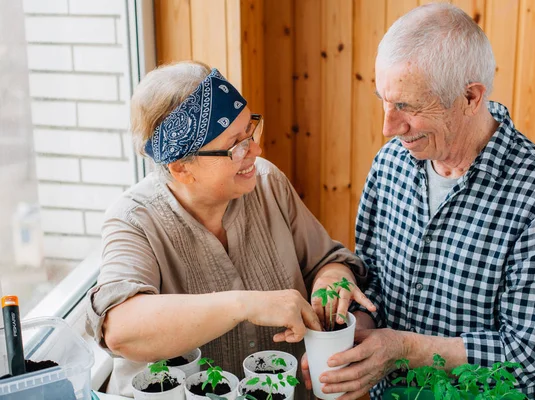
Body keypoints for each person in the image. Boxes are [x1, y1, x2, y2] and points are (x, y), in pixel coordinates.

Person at [304, 4, 535, 400]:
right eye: (384, 101)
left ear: (471, 97)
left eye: (407, 106)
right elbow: (372, 283)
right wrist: (358, 334)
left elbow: (523, 359)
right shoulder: (390, 163)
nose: (388, 127)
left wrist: (403, 349)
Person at [85, 61, 375, 398]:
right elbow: (121, 330)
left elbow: (326, 260)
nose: (256, 149)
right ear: (181, 168)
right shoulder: (133, 220)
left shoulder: (267, 183)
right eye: (237, 144)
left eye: (251, 129)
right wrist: (245, 305)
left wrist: (331, 279)